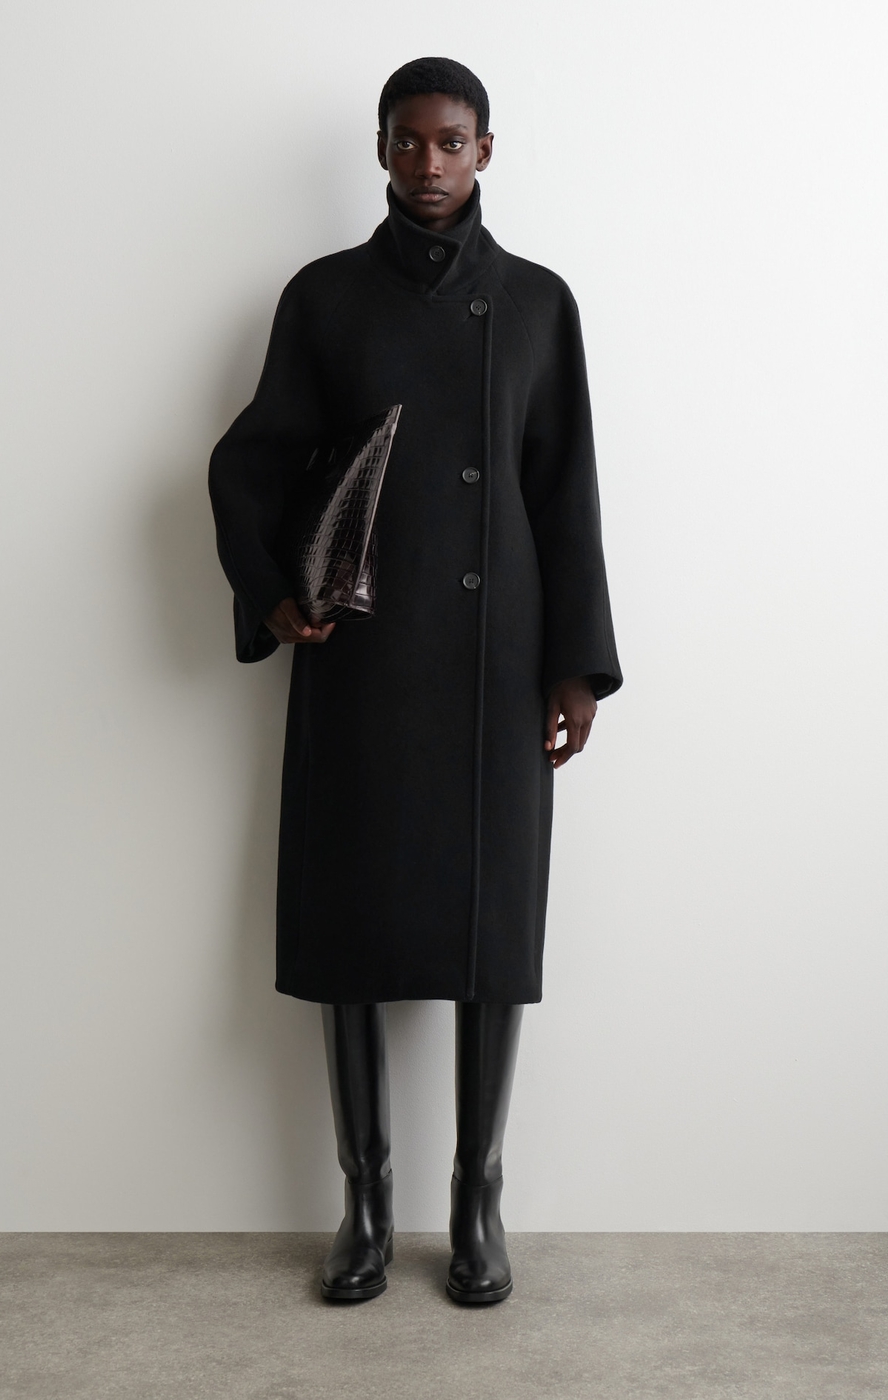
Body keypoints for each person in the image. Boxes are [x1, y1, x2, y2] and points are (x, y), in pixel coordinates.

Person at [208, 56, 622, 1305]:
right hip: (366, 659)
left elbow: (565, 489)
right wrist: (274, 592)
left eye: (451, 141)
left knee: (494, 932)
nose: (428, 163)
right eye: (407, 140)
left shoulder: (538, 303)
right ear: (380, 148)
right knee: (348, 925)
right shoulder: (326, 297)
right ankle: (366, 1200)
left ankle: (476, 1195)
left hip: (501, 665)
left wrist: (576, 664)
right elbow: (252, 459)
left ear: (485, 150)